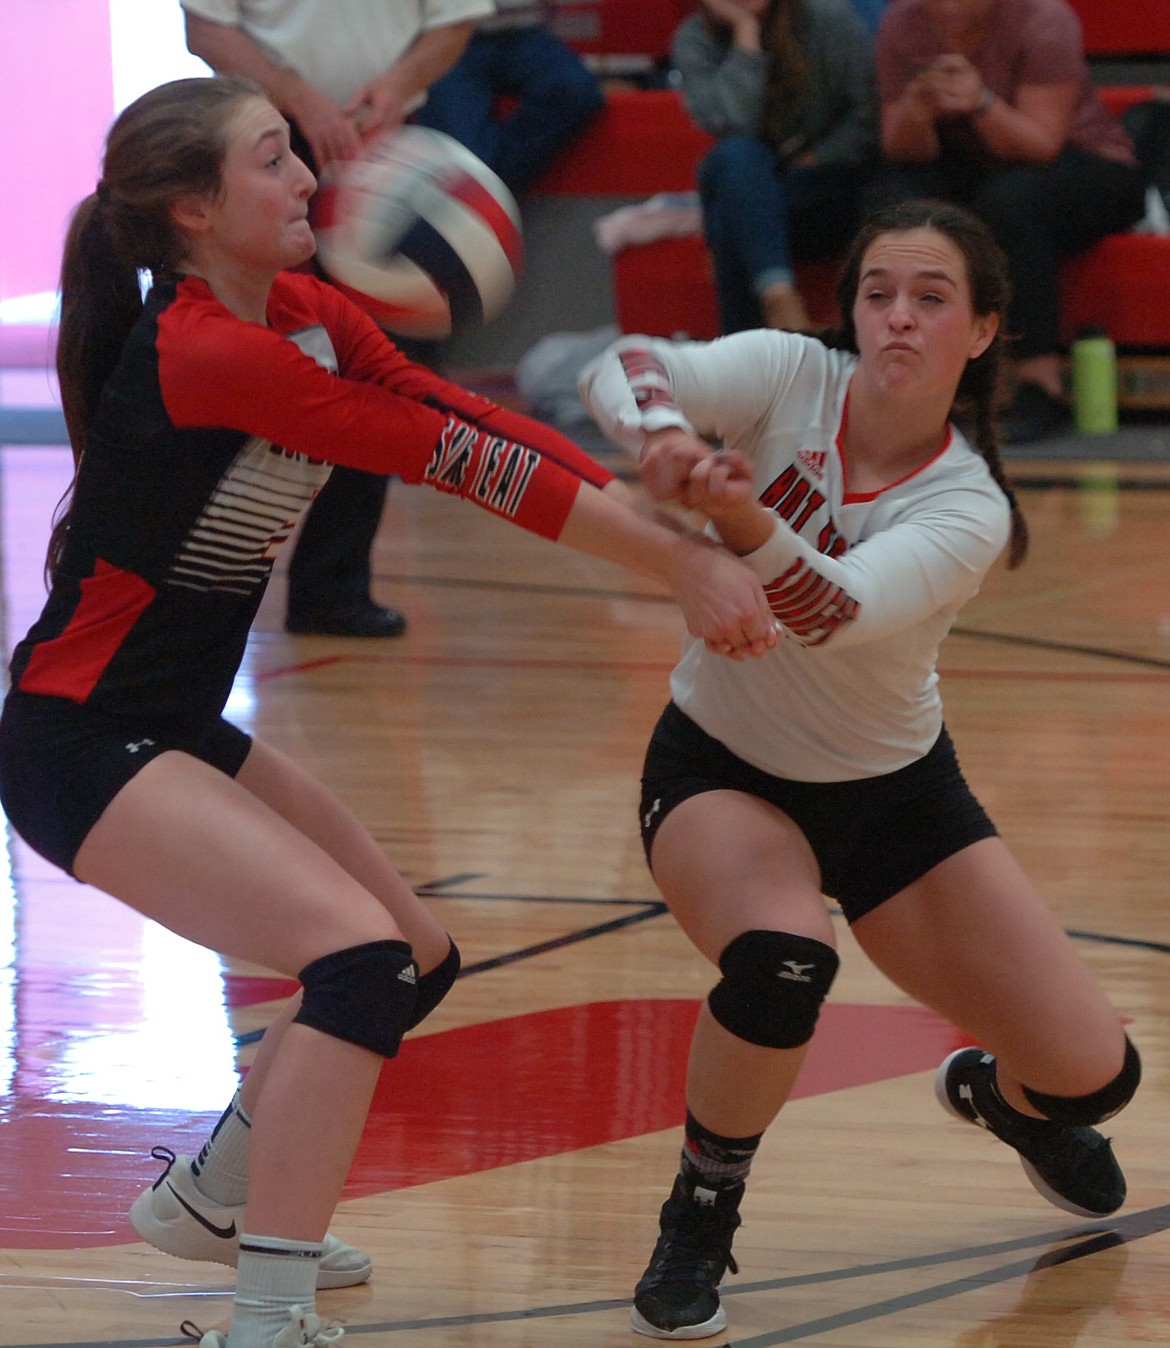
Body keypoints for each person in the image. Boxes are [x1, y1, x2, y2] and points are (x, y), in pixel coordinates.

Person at [0, 77, 779, 1348]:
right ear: (195, 211)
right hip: (83, 741)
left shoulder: (298, 309)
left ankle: (214, 1201)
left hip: (172, 724)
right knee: (352, 966)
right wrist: (679, 564)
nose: (311, 176)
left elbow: (460, 414)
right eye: (272, 161)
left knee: (411, 961)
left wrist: (652, 523)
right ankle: (269, 1317)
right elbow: (443, 459)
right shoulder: (209, 350)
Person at [577, 198, 1141, 1341]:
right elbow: (626, 360)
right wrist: (658, 432)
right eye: (880, 291)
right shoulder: (791, 373)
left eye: (931, 299)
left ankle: (996, 1094)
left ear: (981, 332)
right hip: (723, 768)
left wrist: (738, 517)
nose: (897, 317)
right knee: (786, 962)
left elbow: (832, 609)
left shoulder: (968, 504)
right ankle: (701, 1212)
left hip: (898, 798)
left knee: (1095, 1077)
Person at [182, 0, 492, 638]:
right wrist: (300, 102)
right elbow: (206, 26)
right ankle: (188, 594)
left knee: (378, 385)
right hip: (253, 154)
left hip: (390, 154)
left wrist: (394, 87)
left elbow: (455, 19)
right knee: (239, 374)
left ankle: (330, 590)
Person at [868, 0, 1146, 443]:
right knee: (894, 199)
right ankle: (907, 379)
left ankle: (1041, 380)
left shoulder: (1043, 20)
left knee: (1011, 201)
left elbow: (1041, 144)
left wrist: (982, 102)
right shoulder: (902, 24)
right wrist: (917, 112)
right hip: (978, 163)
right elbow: (900, 149)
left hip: (1088, 164)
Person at [672, 0, 878, 334]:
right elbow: (736, 123)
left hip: (824, 186)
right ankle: (779, 300)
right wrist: (746, 35)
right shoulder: (695, 38)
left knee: (731, 216)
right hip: (753, 190)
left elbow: (868, 120)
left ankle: (745, 354)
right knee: (737, 159)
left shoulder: (829, 21)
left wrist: (815, 160)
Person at [413, 0, 605, 199]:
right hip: (442, 34)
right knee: (467, 157)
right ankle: (486, 195)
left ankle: (489, 194)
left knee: (575, 89)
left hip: (522, 29)